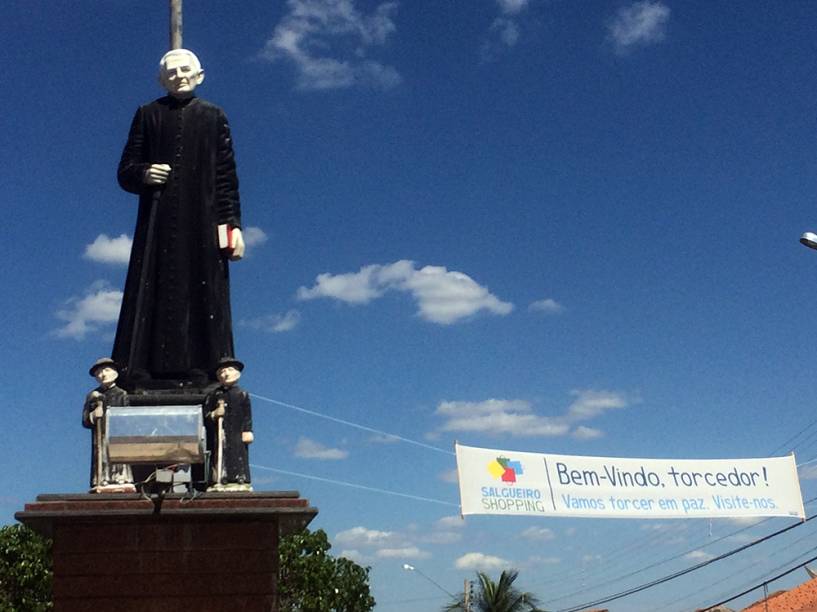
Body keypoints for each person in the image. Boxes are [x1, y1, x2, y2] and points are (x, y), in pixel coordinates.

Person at [113, 48, 245, 389]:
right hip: (157, 223)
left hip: (203, 220)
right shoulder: (147, 114)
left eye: (185, 70)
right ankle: (140, 371)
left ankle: (204, 369)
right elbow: (126, 170)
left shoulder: (214, 116)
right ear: (161, 79)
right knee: (150, 286)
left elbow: (226, 176)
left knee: (205, 290)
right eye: (170, 72)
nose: (179, 76)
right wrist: (144, 173)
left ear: (200, 74)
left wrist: (233, 226)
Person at [82, 358, 135, 493]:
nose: (103, 374)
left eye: (106, 370)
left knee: (118, 456)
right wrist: (93, 415)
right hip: (99, 437)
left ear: (115, 373)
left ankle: (120, 479)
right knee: (100, 456)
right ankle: (100, 479)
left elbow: (128, 418)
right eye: (99, 372)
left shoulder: (121, 394)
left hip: (117, 435)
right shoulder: (92, 396)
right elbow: (84, 420)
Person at [203, 357, 253, 491]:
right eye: (222, 371)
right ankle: (220, 478)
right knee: (220, 454)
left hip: (237, 431)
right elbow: (205, 414)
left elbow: (247, 414)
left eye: (230, 370)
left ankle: (240, 478)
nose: (226, 374)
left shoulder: (242, 394)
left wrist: (248, 430)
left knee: (239, 454)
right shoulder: (214, 395)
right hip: (220, 433)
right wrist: (214, 414)